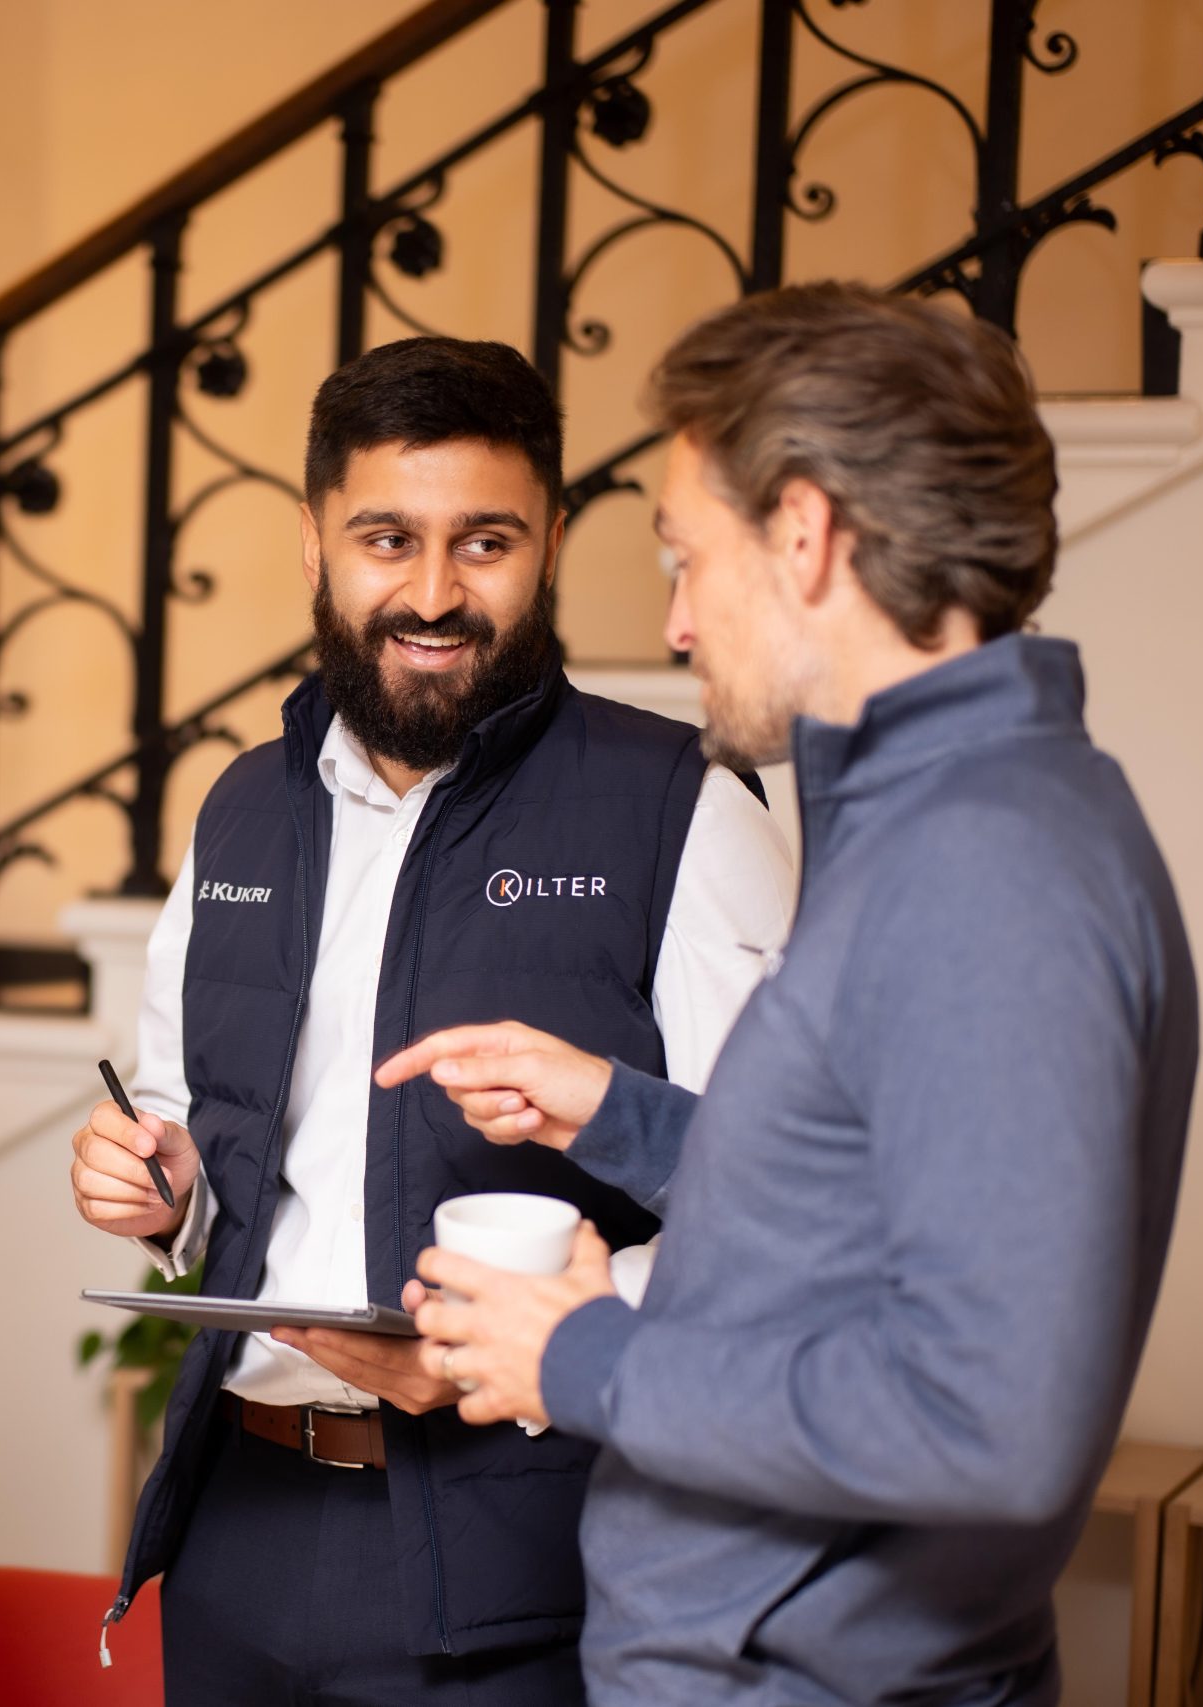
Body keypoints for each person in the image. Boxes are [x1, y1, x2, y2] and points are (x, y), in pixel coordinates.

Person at [384, 285, 1199, 1705]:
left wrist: (586, 1359)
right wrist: (620, 1118)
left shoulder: (990, 872)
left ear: (807, 534)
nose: (680, 624)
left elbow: (989, 1419)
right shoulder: (946, 824)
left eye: (690, 560)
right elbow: (874, 1205)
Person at [68, 338, 797, 1704]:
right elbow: (207, 1148)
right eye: (387, 538)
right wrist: (163, 1189)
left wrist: (510, 1362)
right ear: (312, 542)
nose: (433, 592)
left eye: (486, 543)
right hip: (239, 1527)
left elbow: (781, 1203)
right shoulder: (239, 811)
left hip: (519, 1553)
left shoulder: (683, 810)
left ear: (554, 544)